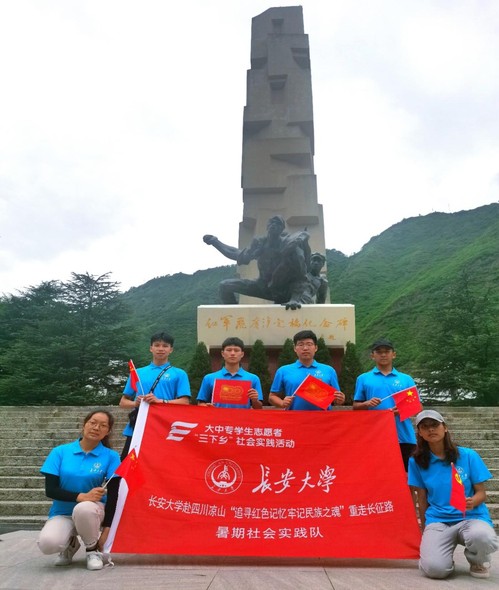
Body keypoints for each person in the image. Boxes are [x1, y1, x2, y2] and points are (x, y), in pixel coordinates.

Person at [408, 409, 498, 580]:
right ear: (419, 432)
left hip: (470, 517)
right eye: (425, 427)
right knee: (435, 569)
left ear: (445, 427)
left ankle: (478, 560)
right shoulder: (416, 461)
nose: (431, 429)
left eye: (435, 425)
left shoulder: (468, 455)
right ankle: (439, 557)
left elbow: (481, 493)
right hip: (438, 520)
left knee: (483, 537)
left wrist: (472, 501)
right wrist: (425, 529)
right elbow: (421, 497)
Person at [37, 409, 121, 571]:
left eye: (103, 425)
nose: (96, 428)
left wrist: (107, 531)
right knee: (48, 544)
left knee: (84, 508)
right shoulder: (60, 452)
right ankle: (71, 543)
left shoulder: (111, 456)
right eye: (93, 423)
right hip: (62, 512)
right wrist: (82, 496)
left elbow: (114, 495)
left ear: (108, 432)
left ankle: (92, 550)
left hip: (92, 511)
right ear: (84, 425)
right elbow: (51, 490)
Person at [203, 215, 312, 309]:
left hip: (287, 290)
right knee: (225, 286)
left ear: (282, 228)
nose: (273, 225)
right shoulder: (260, 244)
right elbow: (236, 254)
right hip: (263, 287)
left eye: (278, 223)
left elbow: (301, 277)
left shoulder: (291, 248)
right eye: (271, 222)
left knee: (298, 309)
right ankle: (233, 316)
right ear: (267, 226)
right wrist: (215, 242)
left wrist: (294, 299)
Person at [119, 331, 190, 459]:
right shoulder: (137, 373)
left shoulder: (179, 374)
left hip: (165, 425)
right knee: (128, 463)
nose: (161, 349)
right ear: (151, 348)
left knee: (161, 463)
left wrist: (160, 401)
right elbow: (123, 402)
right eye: (157, 345)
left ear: (171, 350)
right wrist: (135, 403)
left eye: (165, 346)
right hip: (138, 425)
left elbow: (184, 402)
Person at [353, 338, 416, 471]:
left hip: (403, 435)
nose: (383, 355)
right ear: (372, 355)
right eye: (379, 352)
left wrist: (401, 410)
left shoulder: (406, 379)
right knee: (376, 473)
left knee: (406, 474)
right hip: (374, 435)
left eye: (387, 351)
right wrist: (367, 403)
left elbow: (417, 407)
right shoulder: (363, 378)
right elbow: (356, 407)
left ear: (394, 354)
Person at [269, 330, 345, 410]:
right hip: (294, 416)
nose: (305, 348)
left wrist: (340, 399)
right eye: (301, 345)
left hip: (323, 417)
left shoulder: (329, 370)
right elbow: (272, 396)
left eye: (309, 344)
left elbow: (336, 398)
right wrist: (282, 403)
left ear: (316, 348)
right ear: (295, 348)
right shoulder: (283, 371)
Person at [196, 337, 263, 409]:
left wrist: (255, 400)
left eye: (236, 350)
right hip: (217, 416)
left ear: (242, 354)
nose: (232, 353)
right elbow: (200, 403)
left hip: (243, 416)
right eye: (229, 350)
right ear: (222, 353)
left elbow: (259, 408)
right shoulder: (209, 378)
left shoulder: (253, 379)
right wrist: (206, 406)